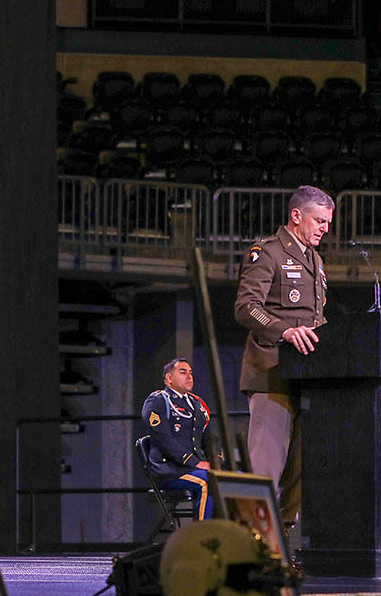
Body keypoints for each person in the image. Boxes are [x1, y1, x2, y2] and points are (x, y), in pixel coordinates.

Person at [234, 185, 332, 525]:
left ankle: (282, 546)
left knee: (300, 470)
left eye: (327, 223)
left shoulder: (315, 260)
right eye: (319, 221)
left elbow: (315, 319)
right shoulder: (268, 252)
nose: (325, 229)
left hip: (308, 378)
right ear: (296, 216)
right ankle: (253, 544)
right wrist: (285, 331)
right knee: (266, 469)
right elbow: (246, 308)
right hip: (272, 373)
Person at [141, 357, 213, 520]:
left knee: (236, 479)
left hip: (196, 468)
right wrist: (195, 463)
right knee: (208, 483)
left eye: (190, 373)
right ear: (169, 379)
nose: (189, 376)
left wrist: (217, 462)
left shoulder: (197, 404)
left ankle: (231, 535)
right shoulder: (158, 401)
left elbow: (209, 440)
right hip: (171, 470)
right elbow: (164, 440)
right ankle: (203, 538)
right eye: (183, 372)